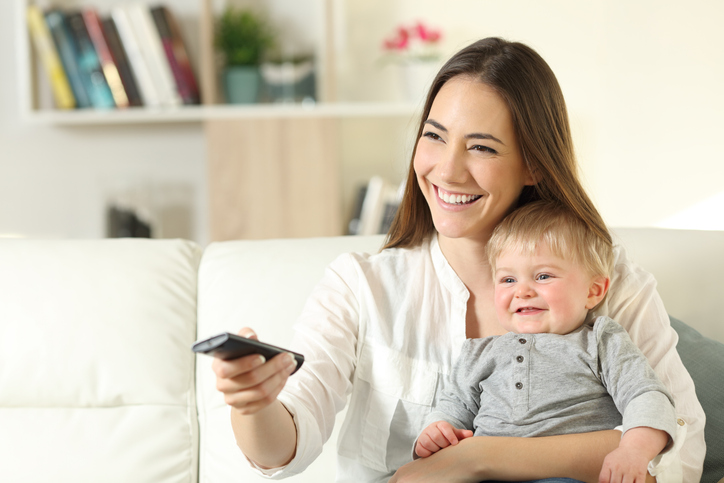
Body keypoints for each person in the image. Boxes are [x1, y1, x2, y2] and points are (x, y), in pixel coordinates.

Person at [211, 37, 705, 482]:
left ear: (534, 163)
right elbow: (284, 451)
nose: (446, 170)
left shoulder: (610, 284)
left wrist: (476, 457)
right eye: (434, 136)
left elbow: (679, 452)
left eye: (482, 147)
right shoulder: (360, 285)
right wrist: (253, 405)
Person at [414, 201, 682, 483]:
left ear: (593, 291)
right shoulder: (478, 352)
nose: (523, 291)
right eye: (507, 279)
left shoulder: (600, 340)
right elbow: (454, 406)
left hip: (568, 475)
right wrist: (436, 429)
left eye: (543, 276)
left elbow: (646, 396)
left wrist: (633, 450)